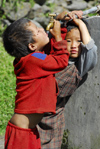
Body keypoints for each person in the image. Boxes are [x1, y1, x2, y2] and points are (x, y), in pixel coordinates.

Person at [3, 17, 70, 149]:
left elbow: (51, 51)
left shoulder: (33, 57)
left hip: (28, 130)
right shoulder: (33, 60)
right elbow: (61, 61)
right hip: (21, 133)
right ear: (32, 46)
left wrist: (62, 24)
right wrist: (57, 37)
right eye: (37, 31)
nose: (41, 29)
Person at [37, 11, 97, 149]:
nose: (74, 45)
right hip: (32, 112)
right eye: (69, 41)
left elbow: (91, 49)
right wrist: (59, 17)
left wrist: (80, 24)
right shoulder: (48, 57)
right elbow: (34, 56)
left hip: (52, 119)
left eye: (79, 41)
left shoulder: (78, 67)